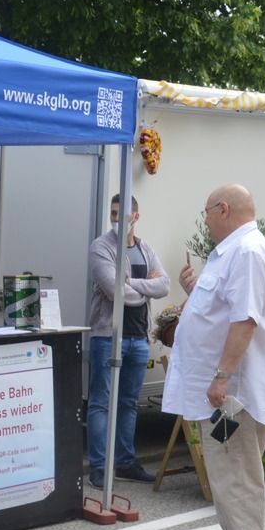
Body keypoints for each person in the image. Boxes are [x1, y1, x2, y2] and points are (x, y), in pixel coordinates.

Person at [163, 184, 265, 530]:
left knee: (237, 477)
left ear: (224, 208)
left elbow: (245, 320)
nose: (206, 220)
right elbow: (222, 312)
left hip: (232, 395)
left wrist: (221, 377)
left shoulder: (247, 252)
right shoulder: (233, 252)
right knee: (226, 475)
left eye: (207, 212)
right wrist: (195, 292)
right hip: (225, 392)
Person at [87, 194, 170, 488]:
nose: (115, 218)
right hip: (108, 337)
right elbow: (113, 289)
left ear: (135, 216)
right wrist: (143, 288)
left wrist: (132, 284)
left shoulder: (145, 248)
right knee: (101, 403)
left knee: (129, 404)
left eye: (121, 214)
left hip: (138, 339)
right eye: (112, 213)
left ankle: (124, 463)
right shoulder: (102, 247)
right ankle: (98, 467)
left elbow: (165, 286)